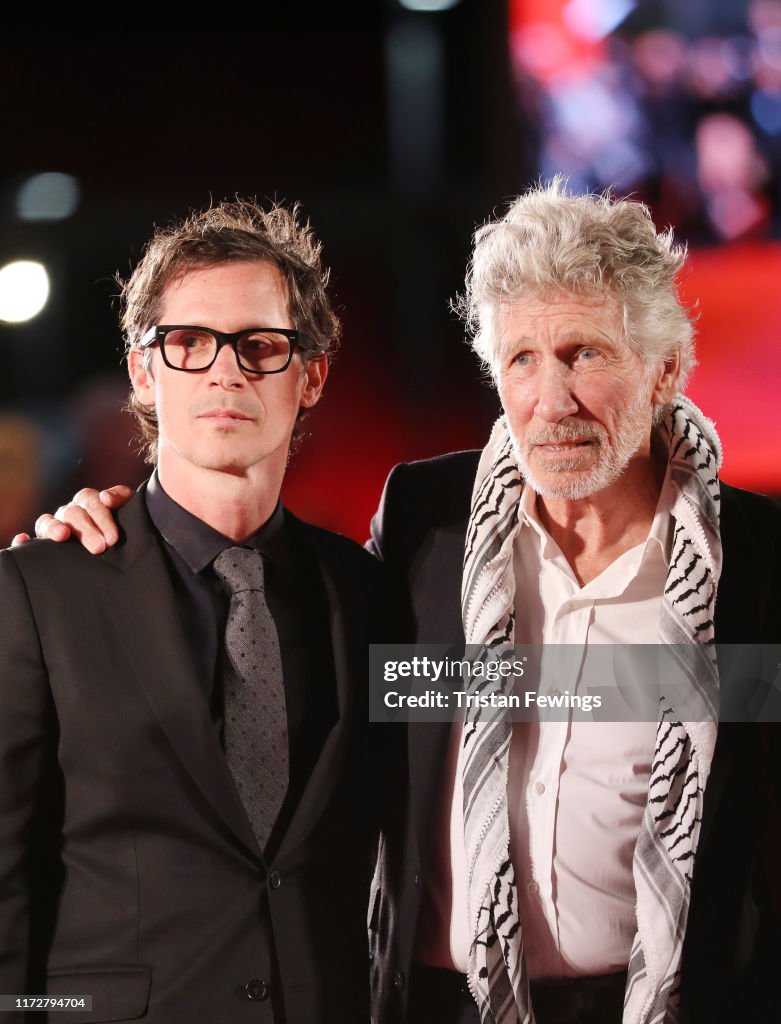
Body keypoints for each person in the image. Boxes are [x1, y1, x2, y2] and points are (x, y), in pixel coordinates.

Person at [26, 181, 781, 1024]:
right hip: (436, 1005)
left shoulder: (753, 565)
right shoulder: (432, 525)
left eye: (585, 354)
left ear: (665, 369)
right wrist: (102, 534)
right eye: (521, 360)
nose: (550, 400)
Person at [0, 199, 394, 1024]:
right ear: (144, 371)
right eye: (189, 344)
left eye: (259, 345)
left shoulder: (368, 595)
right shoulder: (39, 592)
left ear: (310, 375)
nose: (226, 373)